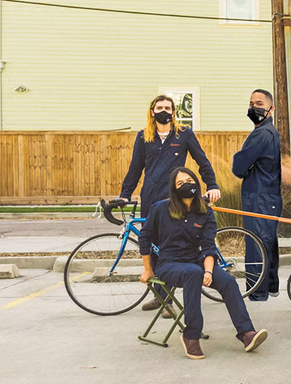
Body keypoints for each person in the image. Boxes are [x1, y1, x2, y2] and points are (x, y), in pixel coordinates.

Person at [138, 167, 268, 360]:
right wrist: (148, 269)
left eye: (189, 181)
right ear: (174, 189)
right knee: (192, 272)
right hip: (169, 263)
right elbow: (145, 236)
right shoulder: (160, 208)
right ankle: (190, 335)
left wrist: (209, 272)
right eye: (180, 183)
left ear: (196, 183)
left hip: (197, 260)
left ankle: (246, 333)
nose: (186, 185)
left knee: (227, 281)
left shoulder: (205, 212)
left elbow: (208, 246)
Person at [121, 94, 220, 313]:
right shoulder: (143, 136)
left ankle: (168, 300)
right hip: (150, 198)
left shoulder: (183, 134)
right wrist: (125, 194)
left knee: (172, 246)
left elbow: (202, 160)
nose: (164, 111)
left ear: (174, 112)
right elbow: (135, 168)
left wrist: (212, 185)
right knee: (154, 247)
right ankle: (161, 296)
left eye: (168, 107)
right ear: (152, 111)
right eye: (159, 107)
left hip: (174, 199)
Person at [232, 89, 282, 301]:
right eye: (251, 103)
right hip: (268, 196)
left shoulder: (262, 134)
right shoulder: (270, 132)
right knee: (267, 242)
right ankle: (270, 287)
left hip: (259, 197)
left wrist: (242, 163)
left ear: (271, 109)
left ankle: (257, 292)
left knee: (256, 244)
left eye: (259, 104)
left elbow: (239, 166)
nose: (254, 107)